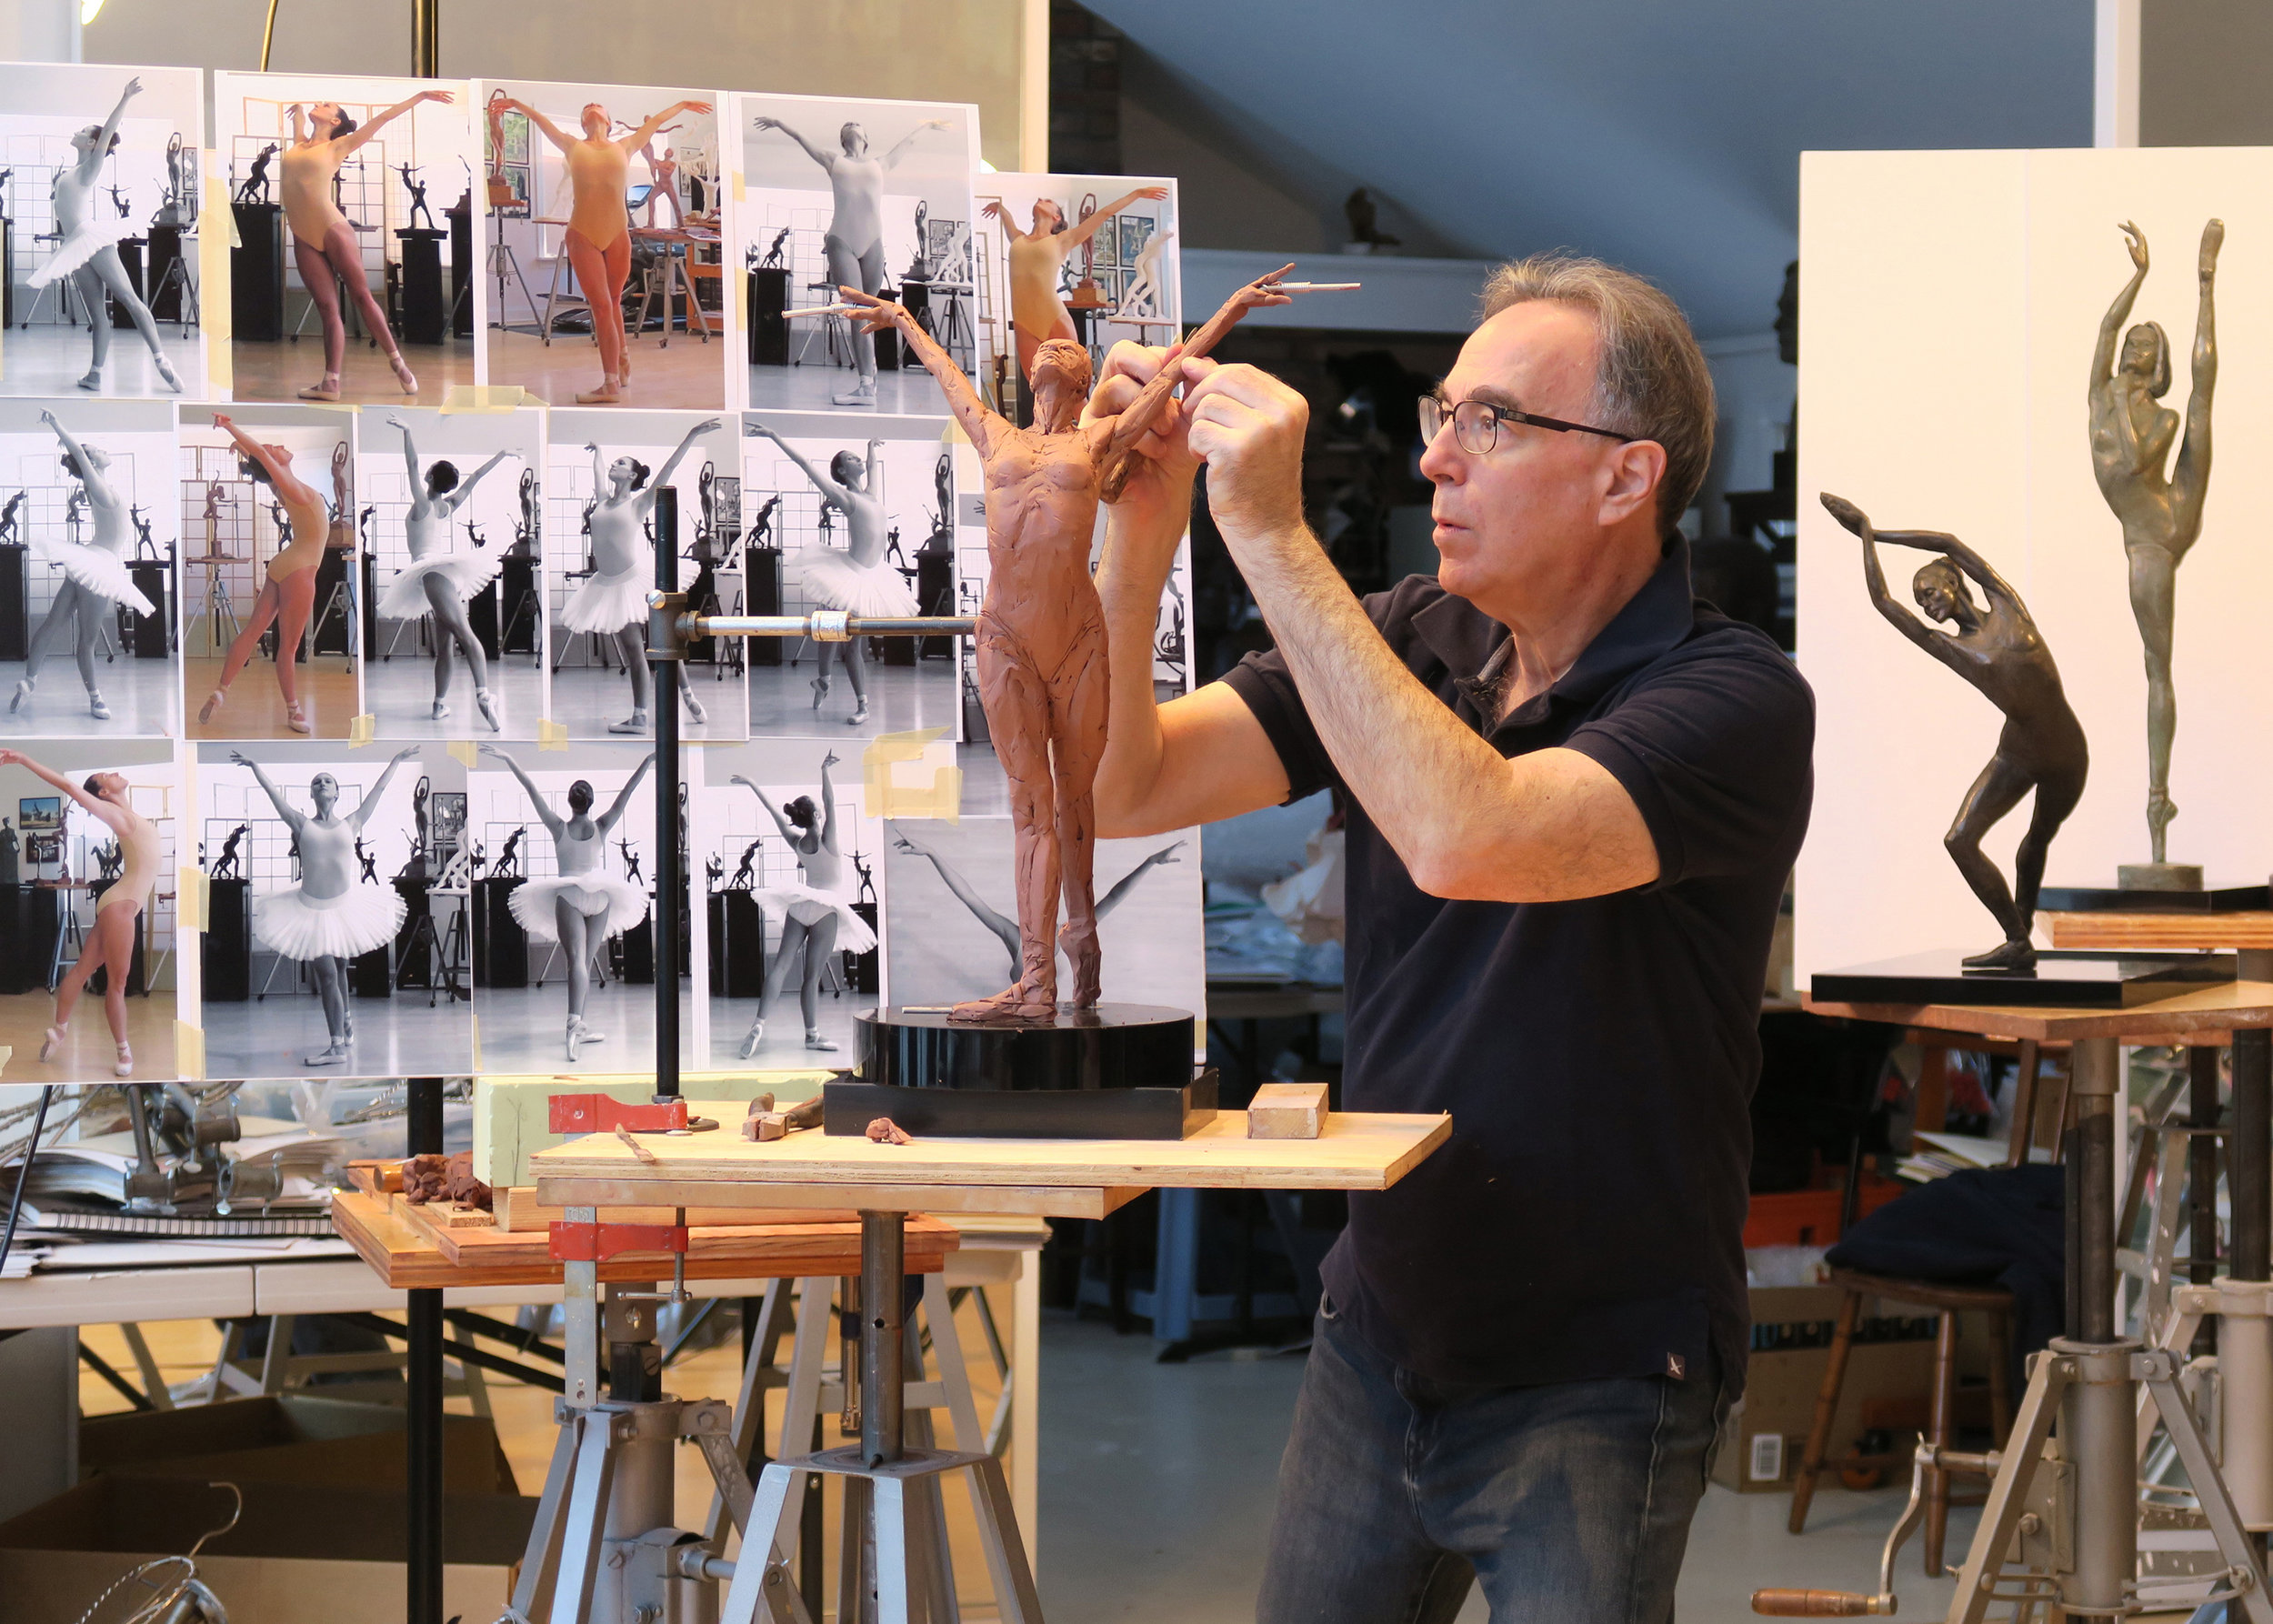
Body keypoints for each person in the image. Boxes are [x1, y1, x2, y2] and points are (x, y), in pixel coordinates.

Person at [1084, 253, 1814, 1619]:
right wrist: (1145, 523)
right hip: (1382, 1326)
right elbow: (1130, 788)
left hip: (1601, 1364)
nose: (1437, 461)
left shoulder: (1737, 700)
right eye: (1443, 413)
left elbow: (1472, 833)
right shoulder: (1416, 635)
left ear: (1625, 475)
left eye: (1493, 422)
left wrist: (1275, 536)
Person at [1828, 494, 2087, 972]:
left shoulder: (2008, 607)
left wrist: (1877, 528)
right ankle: (2016, 939)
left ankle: (2021, 941)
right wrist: (1862, 538)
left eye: (1929, 592)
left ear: (1953, 581)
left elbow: (1947, 541)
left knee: (2034, 843)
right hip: (2018, 753)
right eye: (1921, 601)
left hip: (2068, 752)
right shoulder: (1950, 647)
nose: (1925, 605)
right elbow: (1883, 602)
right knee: (1959, 840)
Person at [2089, 218, 2221, 869]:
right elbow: (2105, 329)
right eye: (2136, 336)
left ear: (2155, 362)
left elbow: (2140, 459)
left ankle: (2207, 283)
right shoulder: (2098, 393)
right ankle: (2158, 804)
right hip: (2144, 535)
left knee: (2203, 406)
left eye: (2148, 340)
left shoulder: (2156, 416)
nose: (2136, 339)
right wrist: (2138, 276)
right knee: (2154, 665)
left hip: (2162, 531)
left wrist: (2121, 398)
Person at [496, 95, 712, 403]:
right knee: (600, 307)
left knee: (612, 302)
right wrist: (517, 104)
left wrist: (683, 105)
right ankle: (610, 383)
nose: (593, 105)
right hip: (582, 234)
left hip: (617, 235)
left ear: (609, 122)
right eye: (587, 107)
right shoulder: (573, 145)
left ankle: (622, 356)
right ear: (585, 121)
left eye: (598, 106)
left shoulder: (625, 146)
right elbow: (542, 122)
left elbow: (656, 122)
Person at [234, 747, 419, 1068]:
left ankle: (345, 1022)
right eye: (317, 781)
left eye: (328, 781)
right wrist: (254, 766)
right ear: (312, 793)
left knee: (342, 968)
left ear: (336, 793)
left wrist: (397, 760)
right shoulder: (300, 823)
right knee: (328, 974)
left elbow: (379, 789)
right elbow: (272, 793)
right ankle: (337, 1045)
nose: (322, 784)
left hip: (344, 906)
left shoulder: (353, 821)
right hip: (311, 910)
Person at [752, 113, 950, 406]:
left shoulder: (879, 164)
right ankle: (865, 385)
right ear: (843, 138)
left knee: (867, 313)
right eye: (848, 126)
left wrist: (927, 126)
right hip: (841, 240)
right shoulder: (834, 161)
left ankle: (868, 378)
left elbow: (906, 143)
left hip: (874, 244)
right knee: (856, 311)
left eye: (858, 124)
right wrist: (781, 124)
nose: (853, 125)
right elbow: (801, 139)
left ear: (866, 139)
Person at [278, 91, 454, 401]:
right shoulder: (297, 146)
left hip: (332, 227)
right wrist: (300, 113)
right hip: (302, 235)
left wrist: (421, 95)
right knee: (327, 308)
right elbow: (298, 136)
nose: (320, 102)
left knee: (361, 295)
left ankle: (398, 364)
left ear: (335, 121)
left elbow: (384, 117)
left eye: (328, 104)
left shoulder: (338, 146)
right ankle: (331, 383)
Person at [481, 745, 652, 1060]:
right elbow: (627, 792)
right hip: (600, 896)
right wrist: (649, 759)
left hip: (570, 894)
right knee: (584, 964)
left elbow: (530, 789)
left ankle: (574, 1025)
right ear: (590, 803)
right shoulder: (601, 826)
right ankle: (578, 1024)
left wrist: (509, 758)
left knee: (576, 962)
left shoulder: (560, 828)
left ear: (571, 803)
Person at [2, 749, 155, 1078]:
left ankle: (58, 1030)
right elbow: (71, 789)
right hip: (121, 905)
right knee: (117, 983)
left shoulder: (130, 816)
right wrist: (25, 760)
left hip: (117, 901)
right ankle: (123, 1053)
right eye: (106, 776)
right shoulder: (119, 817)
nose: (114, 772)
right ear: (103, 792)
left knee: (83, 969)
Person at [746, 421, 909, 725]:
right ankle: (847, 695)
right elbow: (805, 464)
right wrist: (773, 435)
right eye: (851, 459)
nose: (858, 461)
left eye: (856, 457)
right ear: (842, 472)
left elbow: (873, 467)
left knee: (843, 636)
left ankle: (831, 685)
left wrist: (871, 448)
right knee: (833, 631)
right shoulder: (845, 497)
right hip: (849, 573)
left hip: (870, 577)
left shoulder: (872, 494)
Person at [558, 424, 717, 735]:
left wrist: (691, 436)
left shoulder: (639, 503)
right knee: (634, 650)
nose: (614, 466)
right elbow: (597, 472)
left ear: (632, 475)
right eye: (614, 463)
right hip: (607, 584)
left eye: (621, 463)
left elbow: (669, 468)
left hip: (636, 581)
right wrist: (599, 453)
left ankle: (688, 696)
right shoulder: (602, 500)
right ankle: (640, 716)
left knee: (663, 642)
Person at [30, 77, 184, 395]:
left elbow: (107, 135)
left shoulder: (89, 170)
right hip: (75, 245)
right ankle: (95, 374)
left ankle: (161, 360)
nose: (77, 132)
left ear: (91, 144)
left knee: (129, 299)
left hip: (90, 238)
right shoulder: (70, 173)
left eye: (83, 132)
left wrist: (125, 97)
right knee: (98, 315)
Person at [890, 824, 1184, 987]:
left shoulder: (1067, 933)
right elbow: (968, 897)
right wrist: (931, 853)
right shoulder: (1014, 935)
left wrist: (1149, 862)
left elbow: (1114, 897)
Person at [13, 411, 155, 723]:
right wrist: (54, 423)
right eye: (96, 451)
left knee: (53, 622)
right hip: (97, 563)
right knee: (88, 640)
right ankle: (95, 698)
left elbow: (80, 455)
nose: (103, 452)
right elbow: (76, 451)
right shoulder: (97, 483)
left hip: (88, 560)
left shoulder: (99, 485)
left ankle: (30, 680)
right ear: (89, 461)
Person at [730, 751, 875, 1057]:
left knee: (781, 966)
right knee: (811, 977)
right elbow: (831, 801)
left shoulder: (798, 843)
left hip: (800, 904)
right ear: (817, 816)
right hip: (826, 908)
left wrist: (752, 783)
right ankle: (812, 1035)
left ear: (798, 818)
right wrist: (824, 770)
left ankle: (758, 1024)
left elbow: (772, 812)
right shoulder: (828, 840)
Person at [376, 414, 514, 731]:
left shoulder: (424, 505)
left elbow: (411, 466)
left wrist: (408, 431)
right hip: (443, 572)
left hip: (433, 572)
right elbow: (475, 477)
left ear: (429, 478)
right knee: (445, 644)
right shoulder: (448, 506)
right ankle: (439, 705)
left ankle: (484, 696)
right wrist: (502, 455)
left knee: (463, 634)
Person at [199, 415, 332, 734]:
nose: (281, 447)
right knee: (287, 647)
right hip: (300, 569)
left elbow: (260, 460)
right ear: (272, 461)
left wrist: (247, 454)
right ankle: (294, 711)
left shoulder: (283, 487)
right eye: (275, 449)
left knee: (253, 631)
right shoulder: (292, 487)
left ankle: (221, 690)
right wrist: (231, 428)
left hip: (283, 562)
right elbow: (261, 453)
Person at [984, 185, 1167, 379]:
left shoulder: (1062, 240)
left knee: (1074, 384)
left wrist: (1137, 193)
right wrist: (1001, 209)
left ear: (1057, 217)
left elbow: (1104, 213)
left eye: (1048, 201)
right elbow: (1007, 219)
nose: (1040, 198)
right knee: (1038, 387)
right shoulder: (1018, 238)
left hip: (1053, 318)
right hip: (1024, 324)